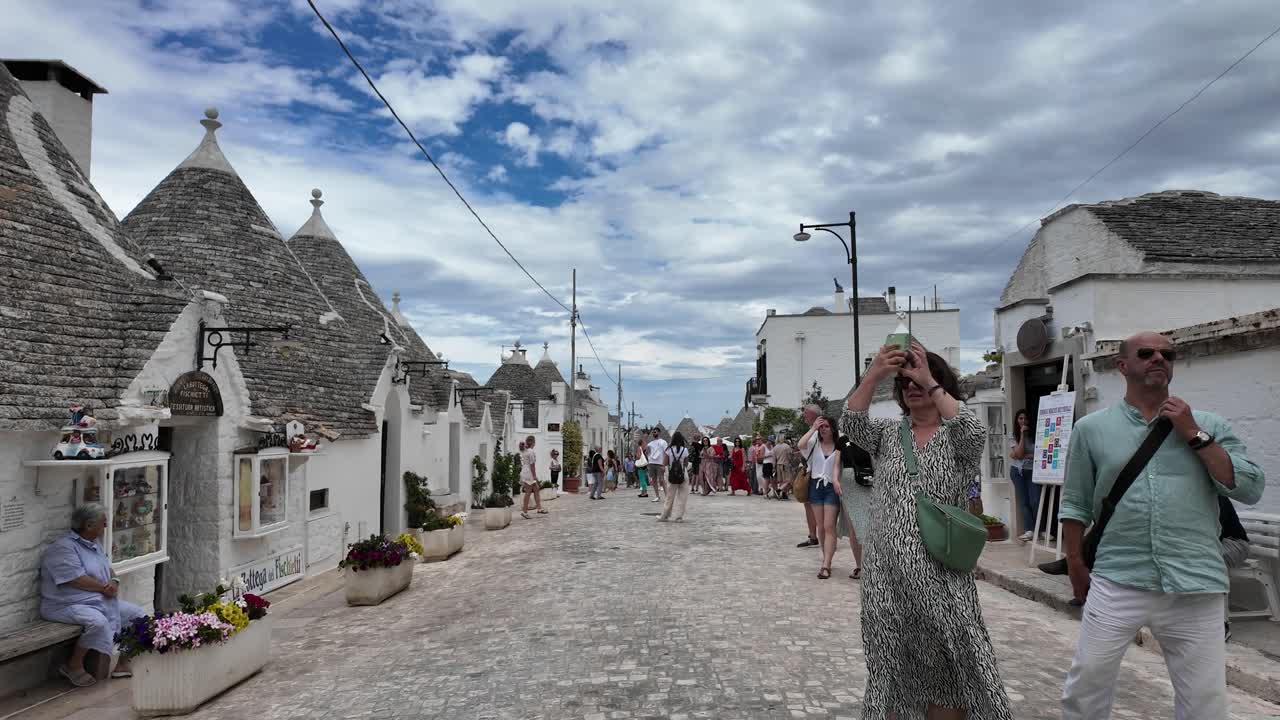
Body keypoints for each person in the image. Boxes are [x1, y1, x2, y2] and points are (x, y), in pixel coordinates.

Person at [1059, 331, 1264, 720]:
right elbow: (1075, 502)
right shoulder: (1091, 429)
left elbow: (1249, 487)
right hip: (1118, 575)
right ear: (1122, 366)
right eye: (1147, 353)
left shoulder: (1209, 424)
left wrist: (1193, 433)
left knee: (1205, 700)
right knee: (1086, 685)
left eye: (1167, 354)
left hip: (1195, 580)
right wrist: (1075, 563)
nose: (1159, 359)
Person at [843, 340, 1012, 719]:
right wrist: (875, 374)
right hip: (886, 577)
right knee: (892, 663)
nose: (913, 386)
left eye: (922, 379)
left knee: (951, 663)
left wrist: (927, 378)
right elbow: (852, 421)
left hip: (940, 573)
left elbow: (972, 430)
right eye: (906, 383)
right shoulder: (889, 434)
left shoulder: (956, 436)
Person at [41, 503, 146, 687]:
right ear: (88, 526)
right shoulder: (63, 548)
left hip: (97, 600)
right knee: (97, 623)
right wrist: (104, 588)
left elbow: (108, 569)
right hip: (65, 604)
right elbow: (75, 579)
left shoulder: (93, 544)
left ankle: (122, 664)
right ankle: (73, 665)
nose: (106, 526)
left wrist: (114, 582)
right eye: (103, 522)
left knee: (138, 615)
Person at [799, 416, 842, 579]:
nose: (823, 429)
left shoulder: (839, 446)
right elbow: (800, 445)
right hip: (815, 486)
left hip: (831, 487)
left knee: (829, 525)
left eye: (826, 426)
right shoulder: (814, 444)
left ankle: (826, 564)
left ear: (833, 428)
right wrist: (812, 428)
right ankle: (826, 557)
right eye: (821, 427)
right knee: (821, 526)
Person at [835, 433, 873, 579]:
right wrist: (835, 480)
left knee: (868, 525)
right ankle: (859, 565)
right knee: (853, 527)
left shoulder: (870, 436)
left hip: (869, 485)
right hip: (849, 487)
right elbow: (836, 464)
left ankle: (870, 564)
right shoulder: (843, 440)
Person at [1008, 409, 1039, 541]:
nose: (1023, 421)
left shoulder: (1036, 435)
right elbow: (1019, 454)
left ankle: (1041, 529)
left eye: (1025, 418)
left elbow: (1040, 453)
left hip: (1032, 471)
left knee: (1036, 501)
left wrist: (1021, 455)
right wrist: (1021, 435)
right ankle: (1029, 530)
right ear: (1017, 420)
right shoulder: (1012, 435)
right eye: (1020, 418)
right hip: (1018, 471)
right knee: (1024, 501)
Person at [796, 404, 823, 548]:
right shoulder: (814, 431)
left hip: (816, 473)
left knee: (816, 506)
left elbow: (802, 445)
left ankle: (820, 536)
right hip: (812, 471)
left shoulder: (818, 430)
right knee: (809, 505)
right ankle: (813, 536)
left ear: (813, 415)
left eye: (806, 414)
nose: (804, 416)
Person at [658, 432, 691, 522]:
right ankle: (678, 517)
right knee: (682, 496)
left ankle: (665, 515)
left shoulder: (669, 450)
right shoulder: (685, 450)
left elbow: (664, 463)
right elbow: (686, 463)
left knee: (669, 496)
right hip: (683, 474)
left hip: (671, 474)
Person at [519, 435, 546, 518]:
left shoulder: (525, 450)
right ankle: (524, 511)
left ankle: (539, 508)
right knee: (528, 492)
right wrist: (534, 476)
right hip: (529, 473)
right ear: (533, 442)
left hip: (525, 471)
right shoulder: (531, 452)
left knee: (536, 489)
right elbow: (532, 465)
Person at [646, 429, 668, 503]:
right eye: (653, 432)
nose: (653, 433)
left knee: (662, 480)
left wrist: (664, 464)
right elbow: (647, 453)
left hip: (660, 463)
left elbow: (666, 453)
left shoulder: (663, 442)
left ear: (659, 432)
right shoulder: (650, 444)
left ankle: (667, 496)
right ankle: (657, 496)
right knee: (654, 480)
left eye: (655, 432)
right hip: (652, 463)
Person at [773, 435, 794, 500]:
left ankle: (784, 495)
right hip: (785, 464)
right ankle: (779, 490)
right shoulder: (786, 446)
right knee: (788, 480)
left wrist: (774, 467)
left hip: (778, 465)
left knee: (782, 481)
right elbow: (790, 455)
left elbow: (774, 458)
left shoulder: (775, 447)